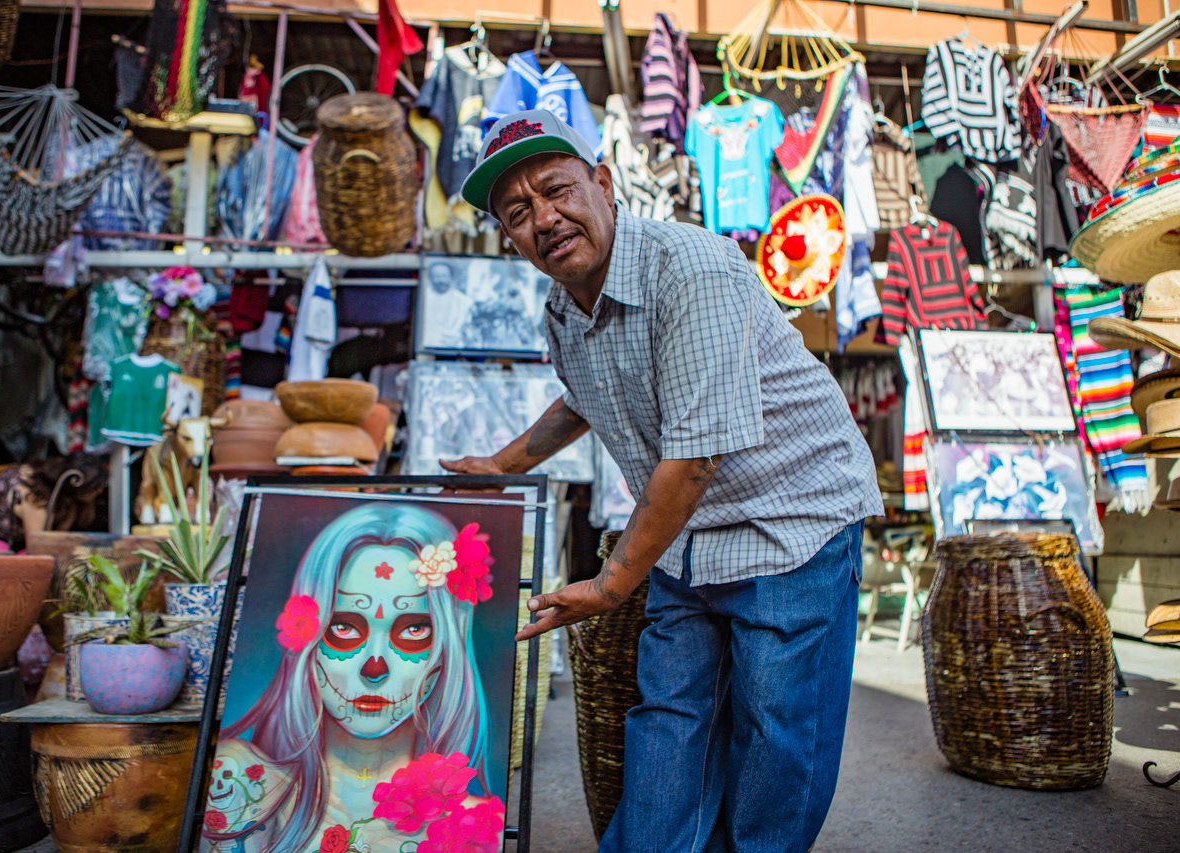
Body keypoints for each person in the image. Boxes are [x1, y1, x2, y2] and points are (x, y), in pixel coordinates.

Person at [442, 110, 883, 853]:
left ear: (605, 184)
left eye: (556, 190)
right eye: (518, 213)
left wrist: (611, 585)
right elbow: (587, 391)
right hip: (688, 536)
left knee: (778, 730)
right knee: (668, 717)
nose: (544, 219)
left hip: (791, 519)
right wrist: (506, 464)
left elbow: (695, 457)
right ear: (508, 236)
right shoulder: (564, 303)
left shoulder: (691, 269)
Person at [200, 503, 504, 853]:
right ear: (306, 635)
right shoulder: (242, 783)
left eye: (414, 629)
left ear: (448, 645)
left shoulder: (473, 828)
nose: (374, 666)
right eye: (344, 628)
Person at [0, 452, 108, 551]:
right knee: (5, 571)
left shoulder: (48, 476)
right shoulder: (35, 497)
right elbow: (37, 550)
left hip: (14, 535)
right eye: (95, 488)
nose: (99, 492)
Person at [421, 260, 473, 348]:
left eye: (444, 276)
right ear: (431, 278)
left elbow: (468, 329)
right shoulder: (423, 298)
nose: (441, 280)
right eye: (437, 277)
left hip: (455, 347)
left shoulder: (464, 301)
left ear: (451, 277)